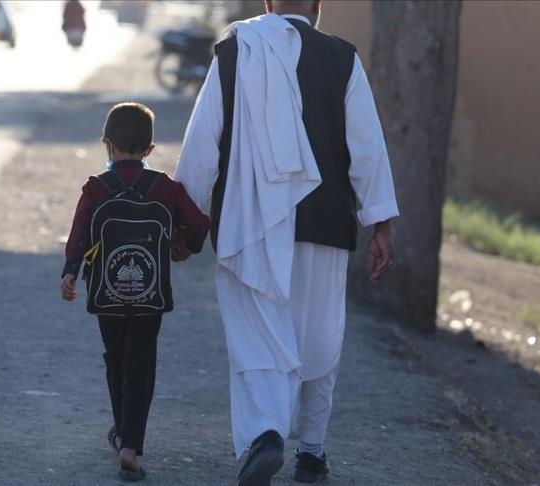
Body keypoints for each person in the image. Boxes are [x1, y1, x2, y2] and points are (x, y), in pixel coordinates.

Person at [174, 1, 399, 484]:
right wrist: (379, 222)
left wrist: (187, 222)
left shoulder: (237, 49)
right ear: (317, 7)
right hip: (326, 221)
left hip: (249, 222)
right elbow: (367, 146)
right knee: (319, 336)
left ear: (268, 3)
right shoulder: (343, 58)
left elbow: (203, 142)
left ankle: (266, 434)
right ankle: (312, 453)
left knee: (257, 338)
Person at [61, 102, 209, 482]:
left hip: (105, 293)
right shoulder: (165, 187)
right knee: (141, 361)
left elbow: (79, 234)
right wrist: (185, 246)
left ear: (107, 145)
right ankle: (130, 445)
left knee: (116, 357)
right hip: (151, 295)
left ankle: (120, 430)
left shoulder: (96, 188)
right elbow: (199, 223)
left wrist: (70, 272)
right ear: (150, 149)